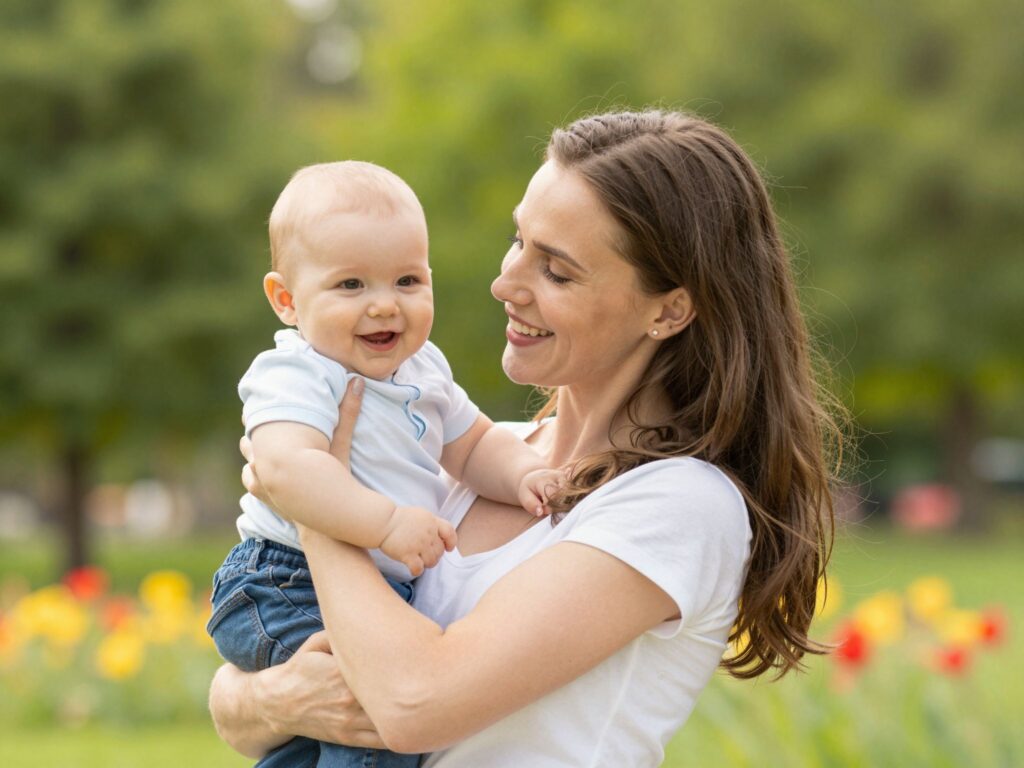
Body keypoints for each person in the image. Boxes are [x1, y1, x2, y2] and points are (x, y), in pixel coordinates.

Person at [208, 110, 842, 767]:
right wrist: (273, 702)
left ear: (668, 309)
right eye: (519, 242)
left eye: (557, 272)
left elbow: (411, 704)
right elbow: (235, 701)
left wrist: (318, 508)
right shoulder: (466, 455)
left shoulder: (679, 503)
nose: (504, 284)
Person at [206, 161, 564, 768]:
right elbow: (286, 472)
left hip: (365, 584)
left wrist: (526, 474)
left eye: (406, 281)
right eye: (351, 286)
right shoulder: (298, 372)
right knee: (369, 722)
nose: (383, 307)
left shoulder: (424, 370)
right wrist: (387, 524)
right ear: (287, 300)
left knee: (314, 740)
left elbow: (473, 444)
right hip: (283, 578)